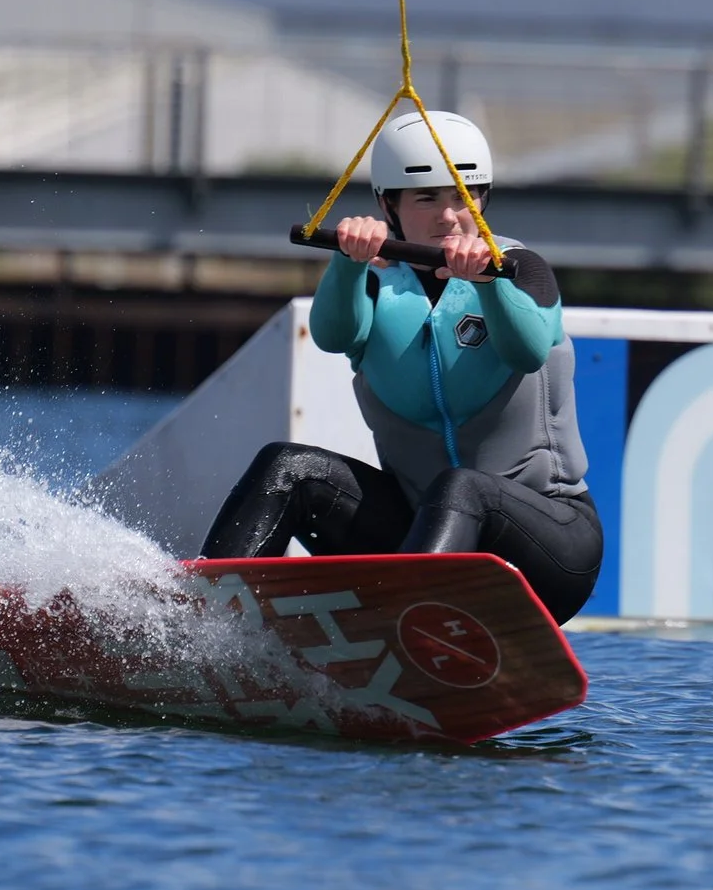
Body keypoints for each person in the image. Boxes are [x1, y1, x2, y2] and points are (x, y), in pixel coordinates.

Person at [198, 110, 604, 622]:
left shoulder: (521, 270)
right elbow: (332, 336)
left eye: (463, 197)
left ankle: (404, 628)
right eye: (426, 198)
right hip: (420, 534)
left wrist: (487, 285)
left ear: (483, 199)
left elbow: (526, 350)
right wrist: (347, 262)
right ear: (389, 205)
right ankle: (203, 622)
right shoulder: (373, 283)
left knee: (461, 485)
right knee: (288, 467)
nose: (448, 216)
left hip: (549, 549)